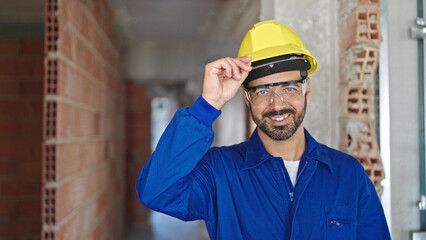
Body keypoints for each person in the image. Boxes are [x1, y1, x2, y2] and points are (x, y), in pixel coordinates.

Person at [136, 20, 391, 240]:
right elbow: (155, 191)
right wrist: (207, 106)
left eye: (289, 88)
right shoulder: (220, 173)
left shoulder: (348, 175)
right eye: (263, 91)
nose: (277, 104)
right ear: (247, 98)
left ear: (307, 89)